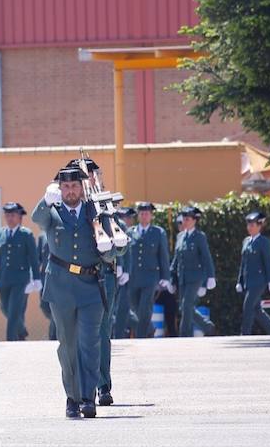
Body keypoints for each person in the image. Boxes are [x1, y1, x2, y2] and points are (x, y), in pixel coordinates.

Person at [33, 166, 124, 418]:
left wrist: (112, 249)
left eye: (74, 186)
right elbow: (37, 220)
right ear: (59, 189)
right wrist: (44, 200)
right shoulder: (52, 211)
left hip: (90, 286)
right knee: (68, 345)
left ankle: (87, 397)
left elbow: (117, 246)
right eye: (66, 187)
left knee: (90, 343)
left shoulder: (96, 212)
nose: (70, 191)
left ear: (82, 188)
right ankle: (72, 397)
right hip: (60, 287)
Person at [0, 203, 41, 341]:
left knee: (13, 311)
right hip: (4, 278)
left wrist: (36, 278)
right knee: (4, 307)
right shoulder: (0, 234)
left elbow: (33, 257)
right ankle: (22, 331)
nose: (10, 218)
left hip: (20, 278)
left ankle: (11, 340)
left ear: (19, 217)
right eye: (7, 215)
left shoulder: (26, 234)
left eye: (13, 215)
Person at [125, 202, 171, 338]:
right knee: (134, 307)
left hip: (150, 277)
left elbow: (163, 255)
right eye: (142, 213)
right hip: (133, 277)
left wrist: (165, 277)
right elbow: (126, 255)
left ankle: (141, 337)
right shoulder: (130, 232)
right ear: (138, 215)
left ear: (151, 216)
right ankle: (149, 329)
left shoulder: (158, 232)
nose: (144, 216)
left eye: (147, 214)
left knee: (145, 308)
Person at [171, 206, 217, 337]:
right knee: (184, 308)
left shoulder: (199, 237)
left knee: (186, 306)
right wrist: (171, 278)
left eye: (187, 219)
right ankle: (207, 326)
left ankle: (184, 335)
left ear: (194, 221)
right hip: (182, 278)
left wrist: (209, 278)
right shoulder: (180, 236)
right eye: (183, 219)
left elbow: (206, 257)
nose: (184, 222)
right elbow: (176, 259)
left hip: (196, 277)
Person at [235, 212, 270, 335]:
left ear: (259, 226)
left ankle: (244, 334)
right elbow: (243, 263)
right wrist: (239, 281)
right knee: (257, 310)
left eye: (252, 225)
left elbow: (268, 262)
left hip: (259, 281)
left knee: (248, 307)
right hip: (248, 281)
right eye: (248, 225)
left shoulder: (263, 242)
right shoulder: (246, 241)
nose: (249, 227)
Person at [111, 207, 137, 339]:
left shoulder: (120, 225)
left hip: (119, 274)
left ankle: (118, 334)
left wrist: (125, 269)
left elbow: (126, 249)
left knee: (119, 306)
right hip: (107, 270)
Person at [37, 232, 57, 340]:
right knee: (44, 306)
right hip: (44, 278)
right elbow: (38, 257)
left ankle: (53, 335)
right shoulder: (42, 237)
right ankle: (55, 326)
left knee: (56, 306)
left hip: (58, 277)